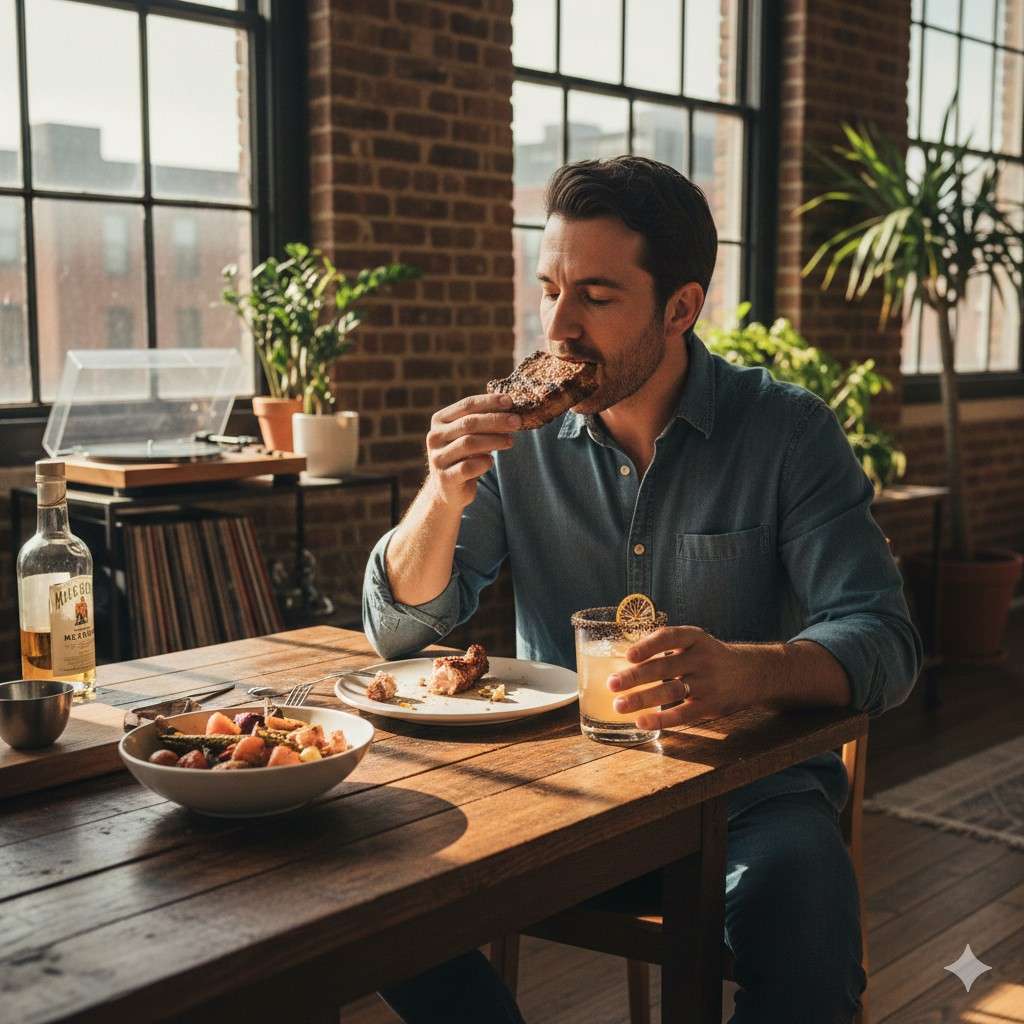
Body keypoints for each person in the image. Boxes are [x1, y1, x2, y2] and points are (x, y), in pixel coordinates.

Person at [362, 156, 922, 1024]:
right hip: (553, 790)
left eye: (595, 295)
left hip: (747, 801)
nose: (559, 326)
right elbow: (398, 631)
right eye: (549, 289)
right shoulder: (515, 439)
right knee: (374, 892)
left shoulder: (789, 433)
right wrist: (441, 495)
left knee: (808, 933)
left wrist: (744, 671)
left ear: (680, 308)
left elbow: (884, 640)